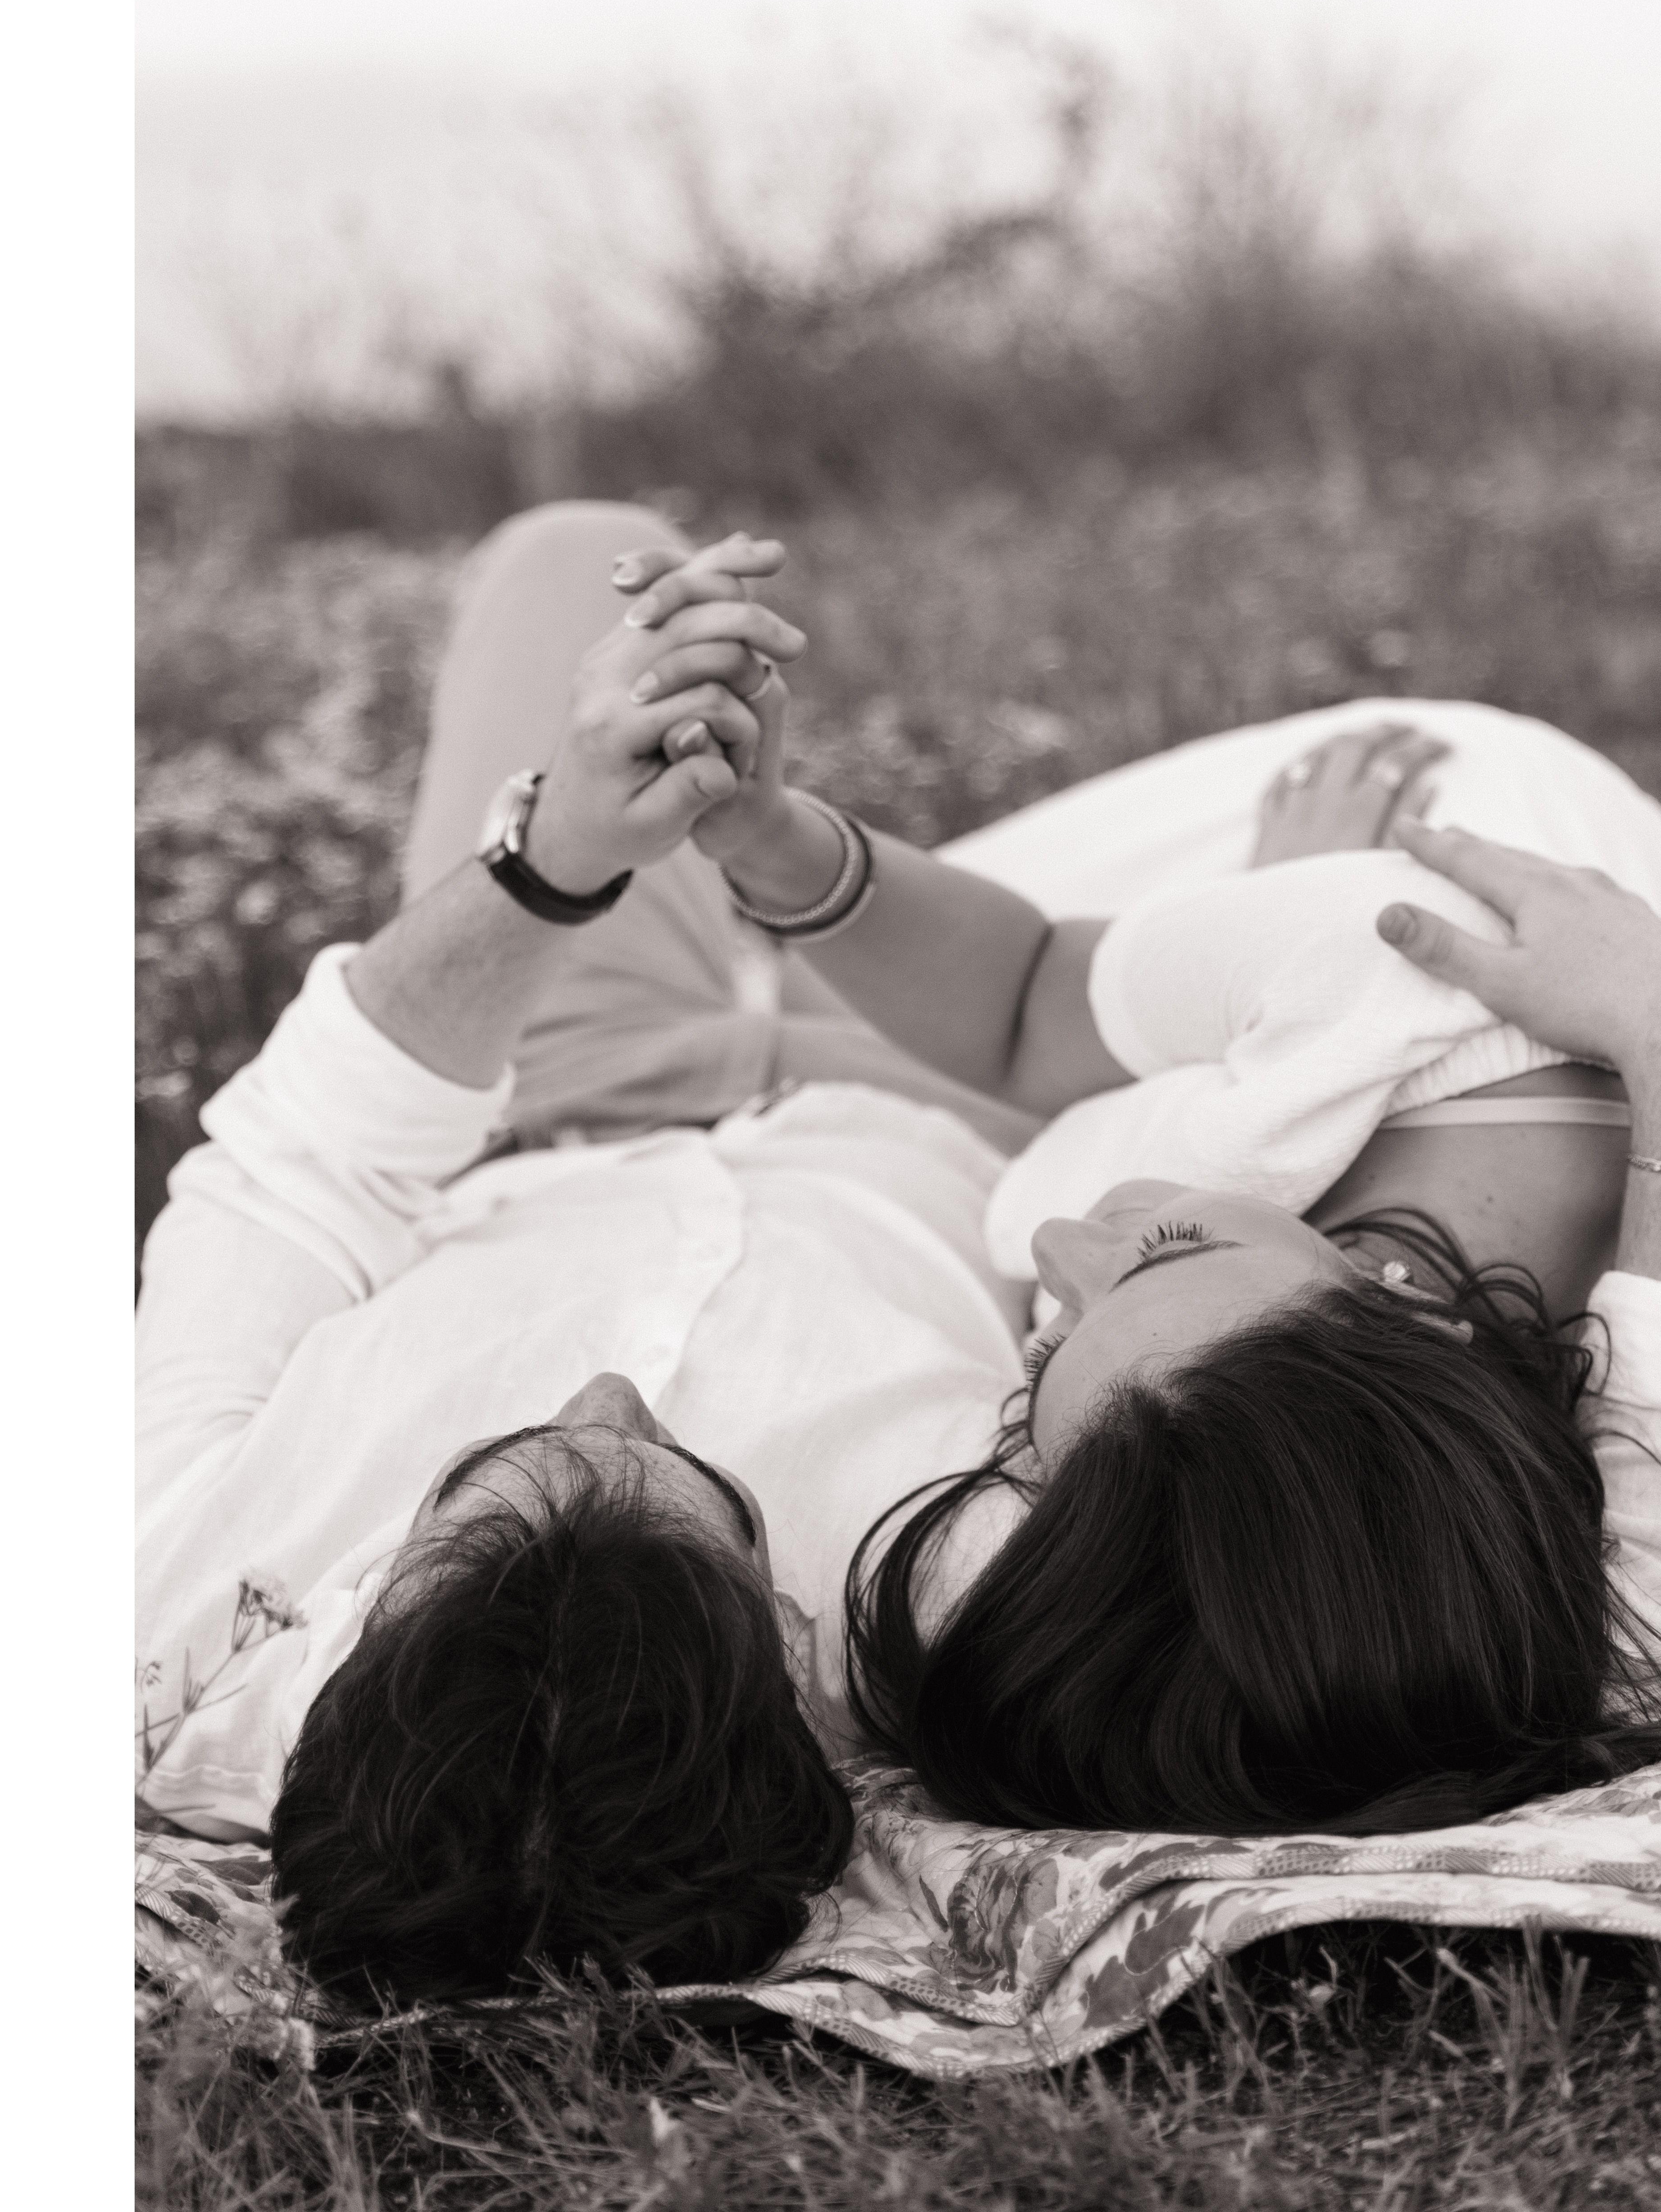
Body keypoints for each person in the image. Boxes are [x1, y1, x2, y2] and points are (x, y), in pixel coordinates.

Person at [137, 506, 1045, 2009]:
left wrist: (555, 859)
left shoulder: (180, 1606)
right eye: (705, 1499)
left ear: (365, 1635)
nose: (614, 1394)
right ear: (788, 1673)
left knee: (579, 559)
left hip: (564, 1066)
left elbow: (298, 1171)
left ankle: (725, 869)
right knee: (1411, 791)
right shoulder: (966, 1627)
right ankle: (816, 890)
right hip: (950, 1096)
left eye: (478, 1484)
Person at [684, 626, 1661, 1839]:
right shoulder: (1383, 966)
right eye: (1171, 1249)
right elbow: (1017, 1003)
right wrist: (769, 835)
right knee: (724, 916)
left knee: (683, 962)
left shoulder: (1351, 1557)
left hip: (1241, 1024)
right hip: (1395, 838)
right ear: (1396, 1307)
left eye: (1034, 1393)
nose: (1064, 1241)